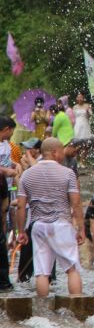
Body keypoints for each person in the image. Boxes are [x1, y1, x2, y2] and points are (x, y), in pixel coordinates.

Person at [15, 138, 85, 297]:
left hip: (38, 225)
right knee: (72, 268)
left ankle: (42, 312)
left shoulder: (27, 175)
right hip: (61, 224)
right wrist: (81, 229)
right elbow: (76, 204)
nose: (62, 154)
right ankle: (78, 309)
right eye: (61, 151)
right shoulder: (68, 173)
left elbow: (20, 205)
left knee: (42, 272)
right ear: (54, 152)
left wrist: (21, 231)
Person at [0, 116, 19, 290]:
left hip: (5, 188)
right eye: (11, 130)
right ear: (6, 129)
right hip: (1, 182)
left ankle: (5, 235)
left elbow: (6, 160)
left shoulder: (7, 144)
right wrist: (6, 171)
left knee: (4, 221)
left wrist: (14, 164)